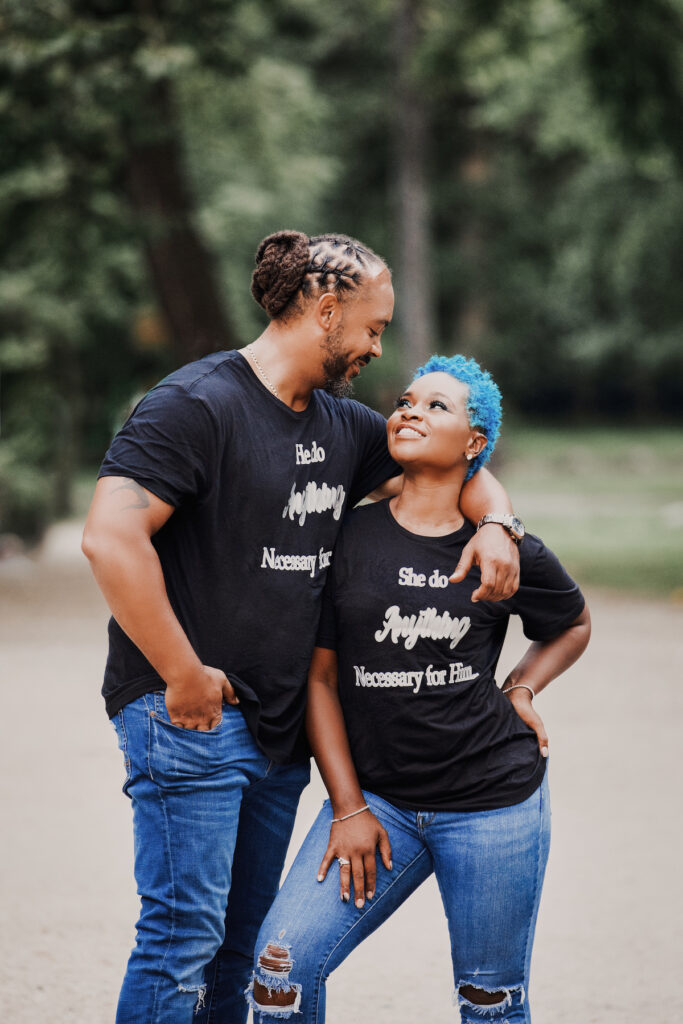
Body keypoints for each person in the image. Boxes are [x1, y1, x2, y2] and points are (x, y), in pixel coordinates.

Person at [82, 232, 522, 1024]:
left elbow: (456, 466)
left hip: (276, 733)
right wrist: (183, 674)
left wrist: (499, 525)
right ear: (325, 312)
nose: (373, 347)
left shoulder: (342, 428)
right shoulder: (194, 405)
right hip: (188, 716)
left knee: (240, 950)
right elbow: (110, 537)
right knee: (181, 940)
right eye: (371, 327)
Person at [248, 354, 591, 1024]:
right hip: (379, 804)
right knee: (277, 979)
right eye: (405, 399)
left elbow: (571, 624)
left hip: (493, 804)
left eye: (437, 406)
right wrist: (347, 809)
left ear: (474, 443)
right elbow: (319, 677)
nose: (409, 410)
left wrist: (521, 688)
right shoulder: (345, 537)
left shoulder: (505, 549)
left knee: (489, 1002)